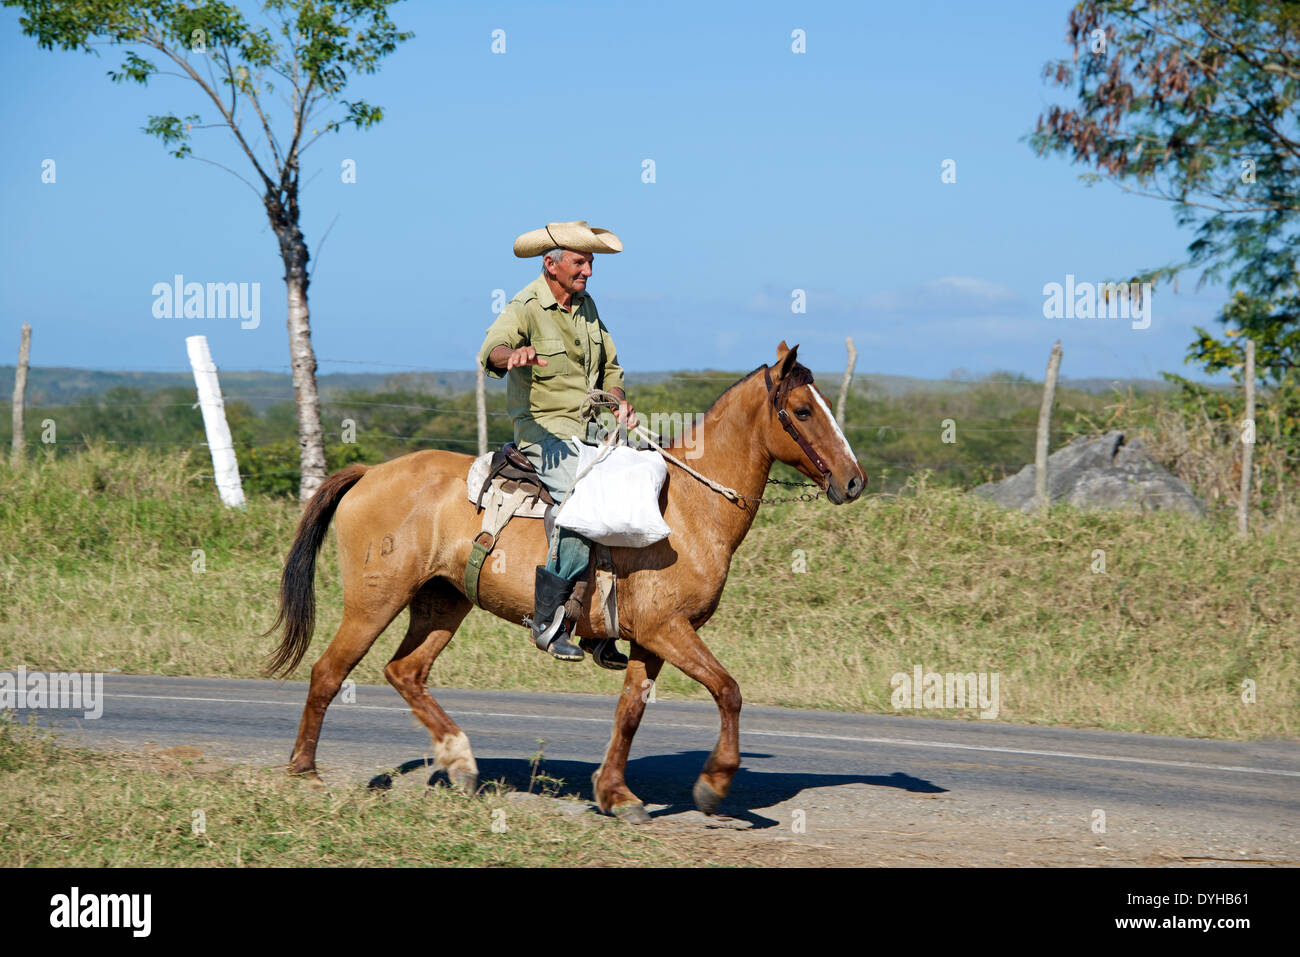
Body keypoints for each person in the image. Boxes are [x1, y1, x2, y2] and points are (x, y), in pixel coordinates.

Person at [477, 220, 637, 670]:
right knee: (580, 496)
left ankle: (601, 624)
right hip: (541, 430)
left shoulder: (588, 307)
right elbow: (492, 348)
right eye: (580, 262)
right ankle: (549, 621)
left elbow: (611, 372)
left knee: (635, 482)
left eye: (590, 263)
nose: (588, 271)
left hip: (586, 429)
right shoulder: (526, 305)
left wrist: (619, 405)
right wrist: (514, 357)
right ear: (551, 265)